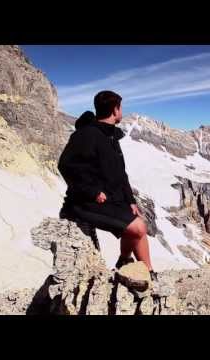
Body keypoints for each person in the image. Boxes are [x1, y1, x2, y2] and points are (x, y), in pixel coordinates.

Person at [58, 90, 157, 281]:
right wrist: (92, 191)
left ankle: (136, 267)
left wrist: (131, 200)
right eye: (121, 108)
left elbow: (121, 174)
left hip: (110, 199)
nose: (122, 111)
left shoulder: (110, 136)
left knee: (138, 223)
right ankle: (136, 267)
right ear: (115, 109)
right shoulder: (87, 134)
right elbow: (66, 165)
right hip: (84, 202)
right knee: (138, 228)